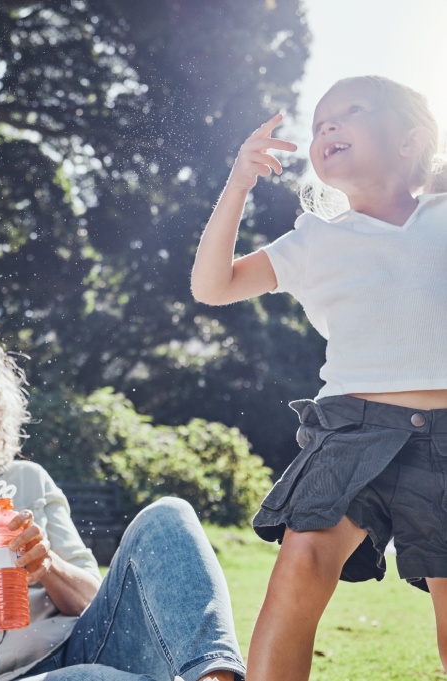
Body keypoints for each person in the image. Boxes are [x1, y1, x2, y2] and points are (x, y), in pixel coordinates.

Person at [191, 75, 447, 680]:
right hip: (352, 425)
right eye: (318, 124)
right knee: (304, 558)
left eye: (349, 113)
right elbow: (212, 285)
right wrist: (238, 183)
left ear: (411, 141)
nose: (326, 128)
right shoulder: (316, 239)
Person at [0, 337, 246, 681]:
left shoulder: (28, 480)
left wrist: (47, 564)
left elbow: (93, 601)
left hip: (77, 652)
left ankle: (215, 675)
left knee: (169, 515)